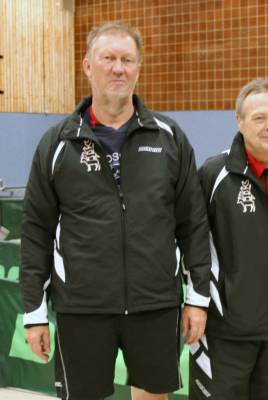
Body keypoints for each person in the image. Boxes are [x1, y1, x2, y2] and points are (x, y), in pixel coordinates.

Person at [19, 21, 211, 400]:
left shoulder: (169, 137)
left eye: (127, 59)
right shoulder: (57, 143)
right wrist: (34, 313)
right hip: (82, 305)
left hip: (154, 302)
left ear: (138, 67)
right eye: (108, 59)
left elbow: (193, 223)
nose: (118, 68)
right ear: (88, 66)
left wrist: (197, 298)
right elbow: (35, 230)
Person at [191, 78, 268, 399]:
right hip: (224, 333)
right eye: (259, 117)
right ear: (240, 121)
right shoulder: (213, 175)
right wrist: (198, 303)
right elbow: (194, 245)